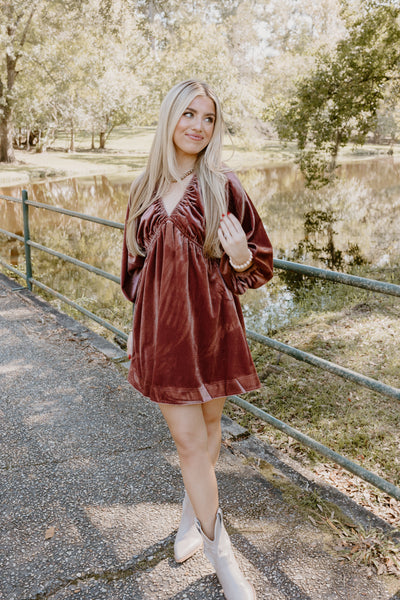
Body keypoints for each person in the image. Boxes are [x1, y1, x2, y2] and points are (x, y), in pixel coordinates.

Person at [121, 79, 273, 600]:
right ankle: (223, 557)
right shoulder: (143, 189)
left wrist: (239, 258)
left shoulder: (223, 184)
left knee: (211, 432)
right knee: (189, 445)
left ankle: (191, 520)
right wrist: (138, 333)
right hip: (164, 340)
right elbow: (135, 271)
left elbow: (259, 263)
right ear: (170, 119)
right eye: (189, 114)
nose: (198, 126)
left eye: (208, 118)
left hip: (215, 330)